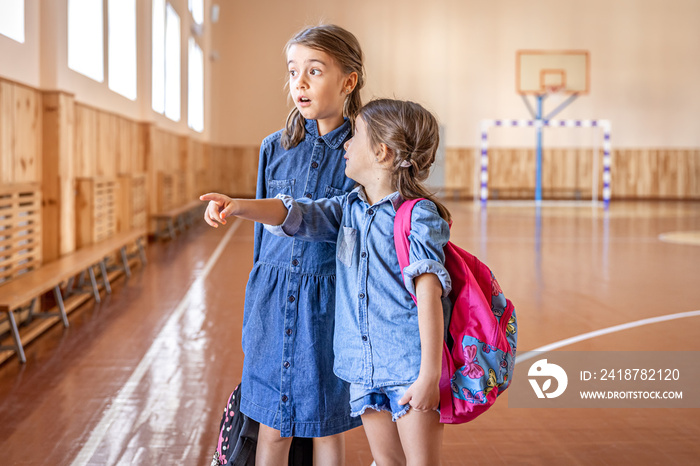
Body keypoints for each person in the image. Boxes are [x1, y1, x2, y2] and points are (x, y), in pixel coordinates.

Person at [202, 99, 451, 465]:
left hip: (407, 368)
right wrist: (238, 205)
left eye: (357, 138)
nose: (347, 144)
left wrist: (430, 375)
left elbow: (430, 298)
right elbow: (296, 212)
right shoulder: (348, 207)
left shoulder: (418, 216)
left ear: (381, 152)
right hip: (362, 371)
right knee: (388, 462)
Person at [204, 24, 365, 465]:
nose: (300, 82)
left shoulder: (361, 151)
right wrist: (257, 295)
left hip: (328, 308)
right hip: (271, 305)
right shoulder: (274, 147)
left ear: (348, 81)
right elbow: (261, 242)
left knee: (326, 428)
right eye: (294, 71)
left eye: (315, 70)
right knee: (271, 428)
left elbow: (340, 225)